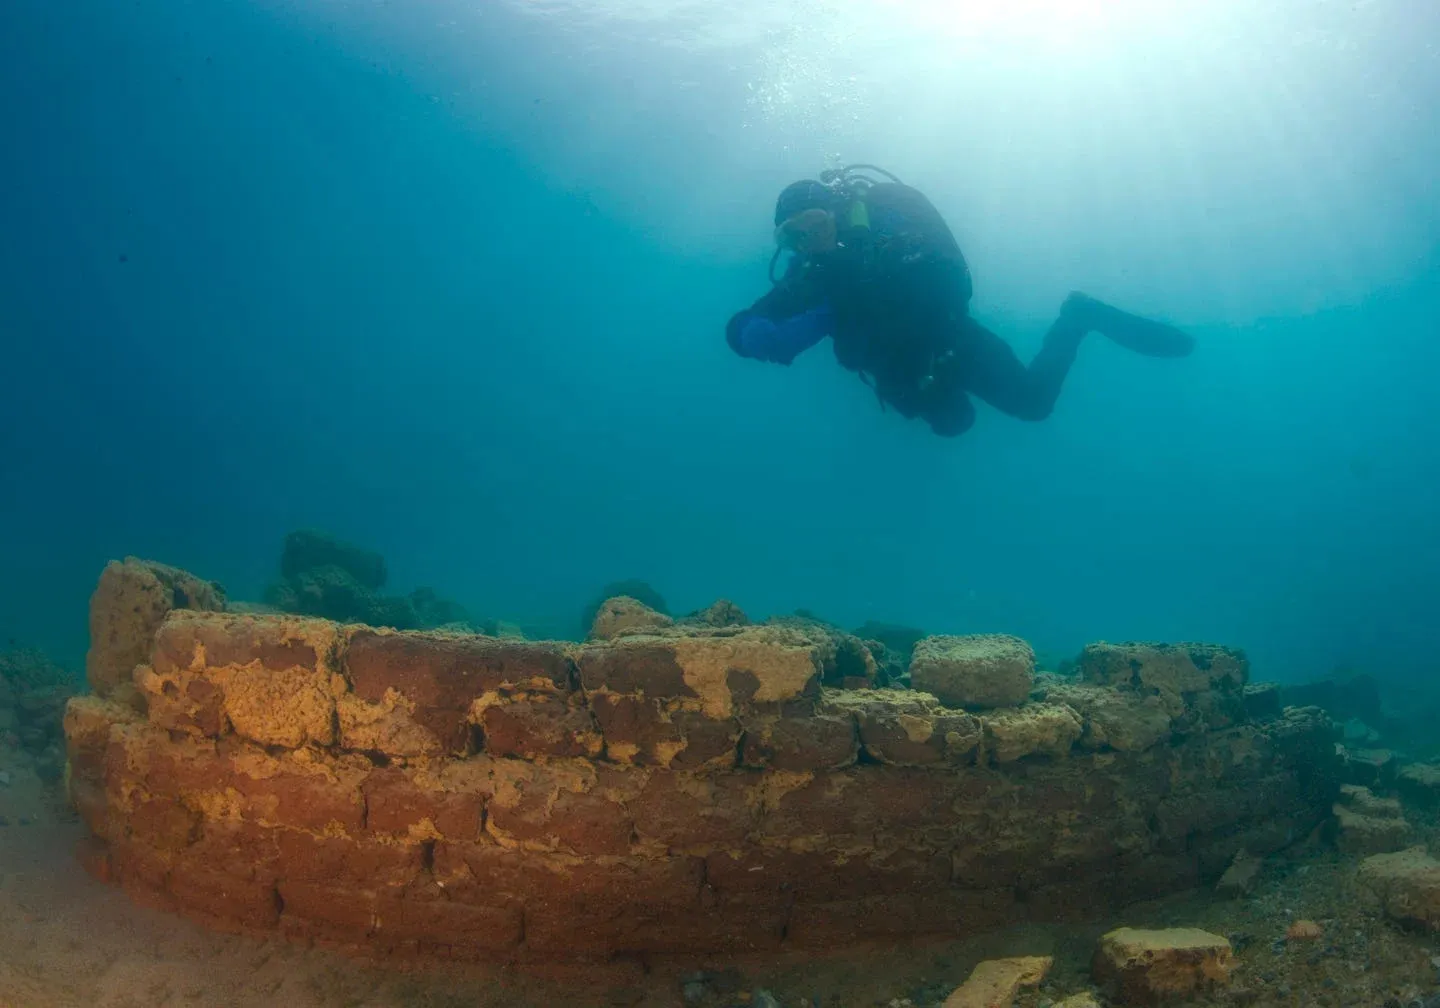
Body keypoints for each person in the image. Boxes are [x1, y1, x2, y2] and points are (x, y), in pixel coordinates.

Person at [724, 165, 1194, 437]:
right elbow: (754, 314)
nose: (809, 240)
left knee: (1033, 405)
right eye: (792, 236)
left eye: (815, 223)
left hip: (951, 340)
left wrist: (860, 276)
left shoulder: (886, 239)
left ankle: (1079, 315)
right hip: (903, 372)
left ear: (839, 216)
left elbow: (942, 279)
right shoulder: (810, 274)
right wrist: (745, 333)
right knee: (954, 425)